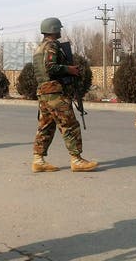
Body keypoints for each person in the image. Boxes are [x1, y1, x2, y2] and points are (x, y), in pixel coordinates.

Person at [31, 17, 98, 173]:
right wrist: (70, 70)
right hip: (54, 93)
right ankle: (76, 160)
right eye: (59, 29)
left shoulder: (39, 48)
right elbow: (51, 67)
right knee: (69, 125)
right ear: (54, 30)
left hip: (44, 92)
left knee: (46, 126)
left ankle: (38, 160)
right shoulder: (52, 45)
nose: (60, 31)